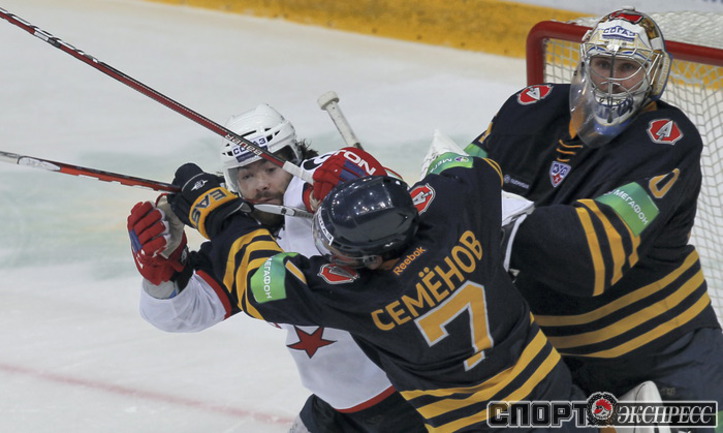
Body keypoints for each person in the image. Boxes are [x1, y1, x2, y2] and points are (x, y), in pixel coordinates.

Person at [161, 143, 607, 433]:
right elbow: (470, 165)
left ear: (367, 259)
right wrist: (374, 176)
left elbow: (261, 281)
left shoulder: (363, 295)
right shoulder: (454, 215)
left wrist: (222, 218)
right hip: (551, 398)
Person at [463, 7, 723, 407]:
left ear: (653, 73)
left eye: (628, 67)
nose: (612, 79)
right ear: (585, 64)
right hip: (548, 354)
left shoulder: (668, 141)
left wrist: (490, 217)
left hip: (664, 346)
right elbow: (454, 187)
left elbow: (589, 255)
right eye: (603, 64)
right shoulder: (528, 109)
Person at [127, 104, 427, 433]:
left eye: (270, 168)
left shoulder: (331, 204)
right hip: (336, 407)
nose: (261, 185)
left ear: (294, 160)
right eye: (246, 176)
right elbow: (182, 315)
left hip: (413, 395)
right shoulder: (243, 241)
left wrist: (358, 182)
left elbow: (389, 204)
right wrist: (162, 269)